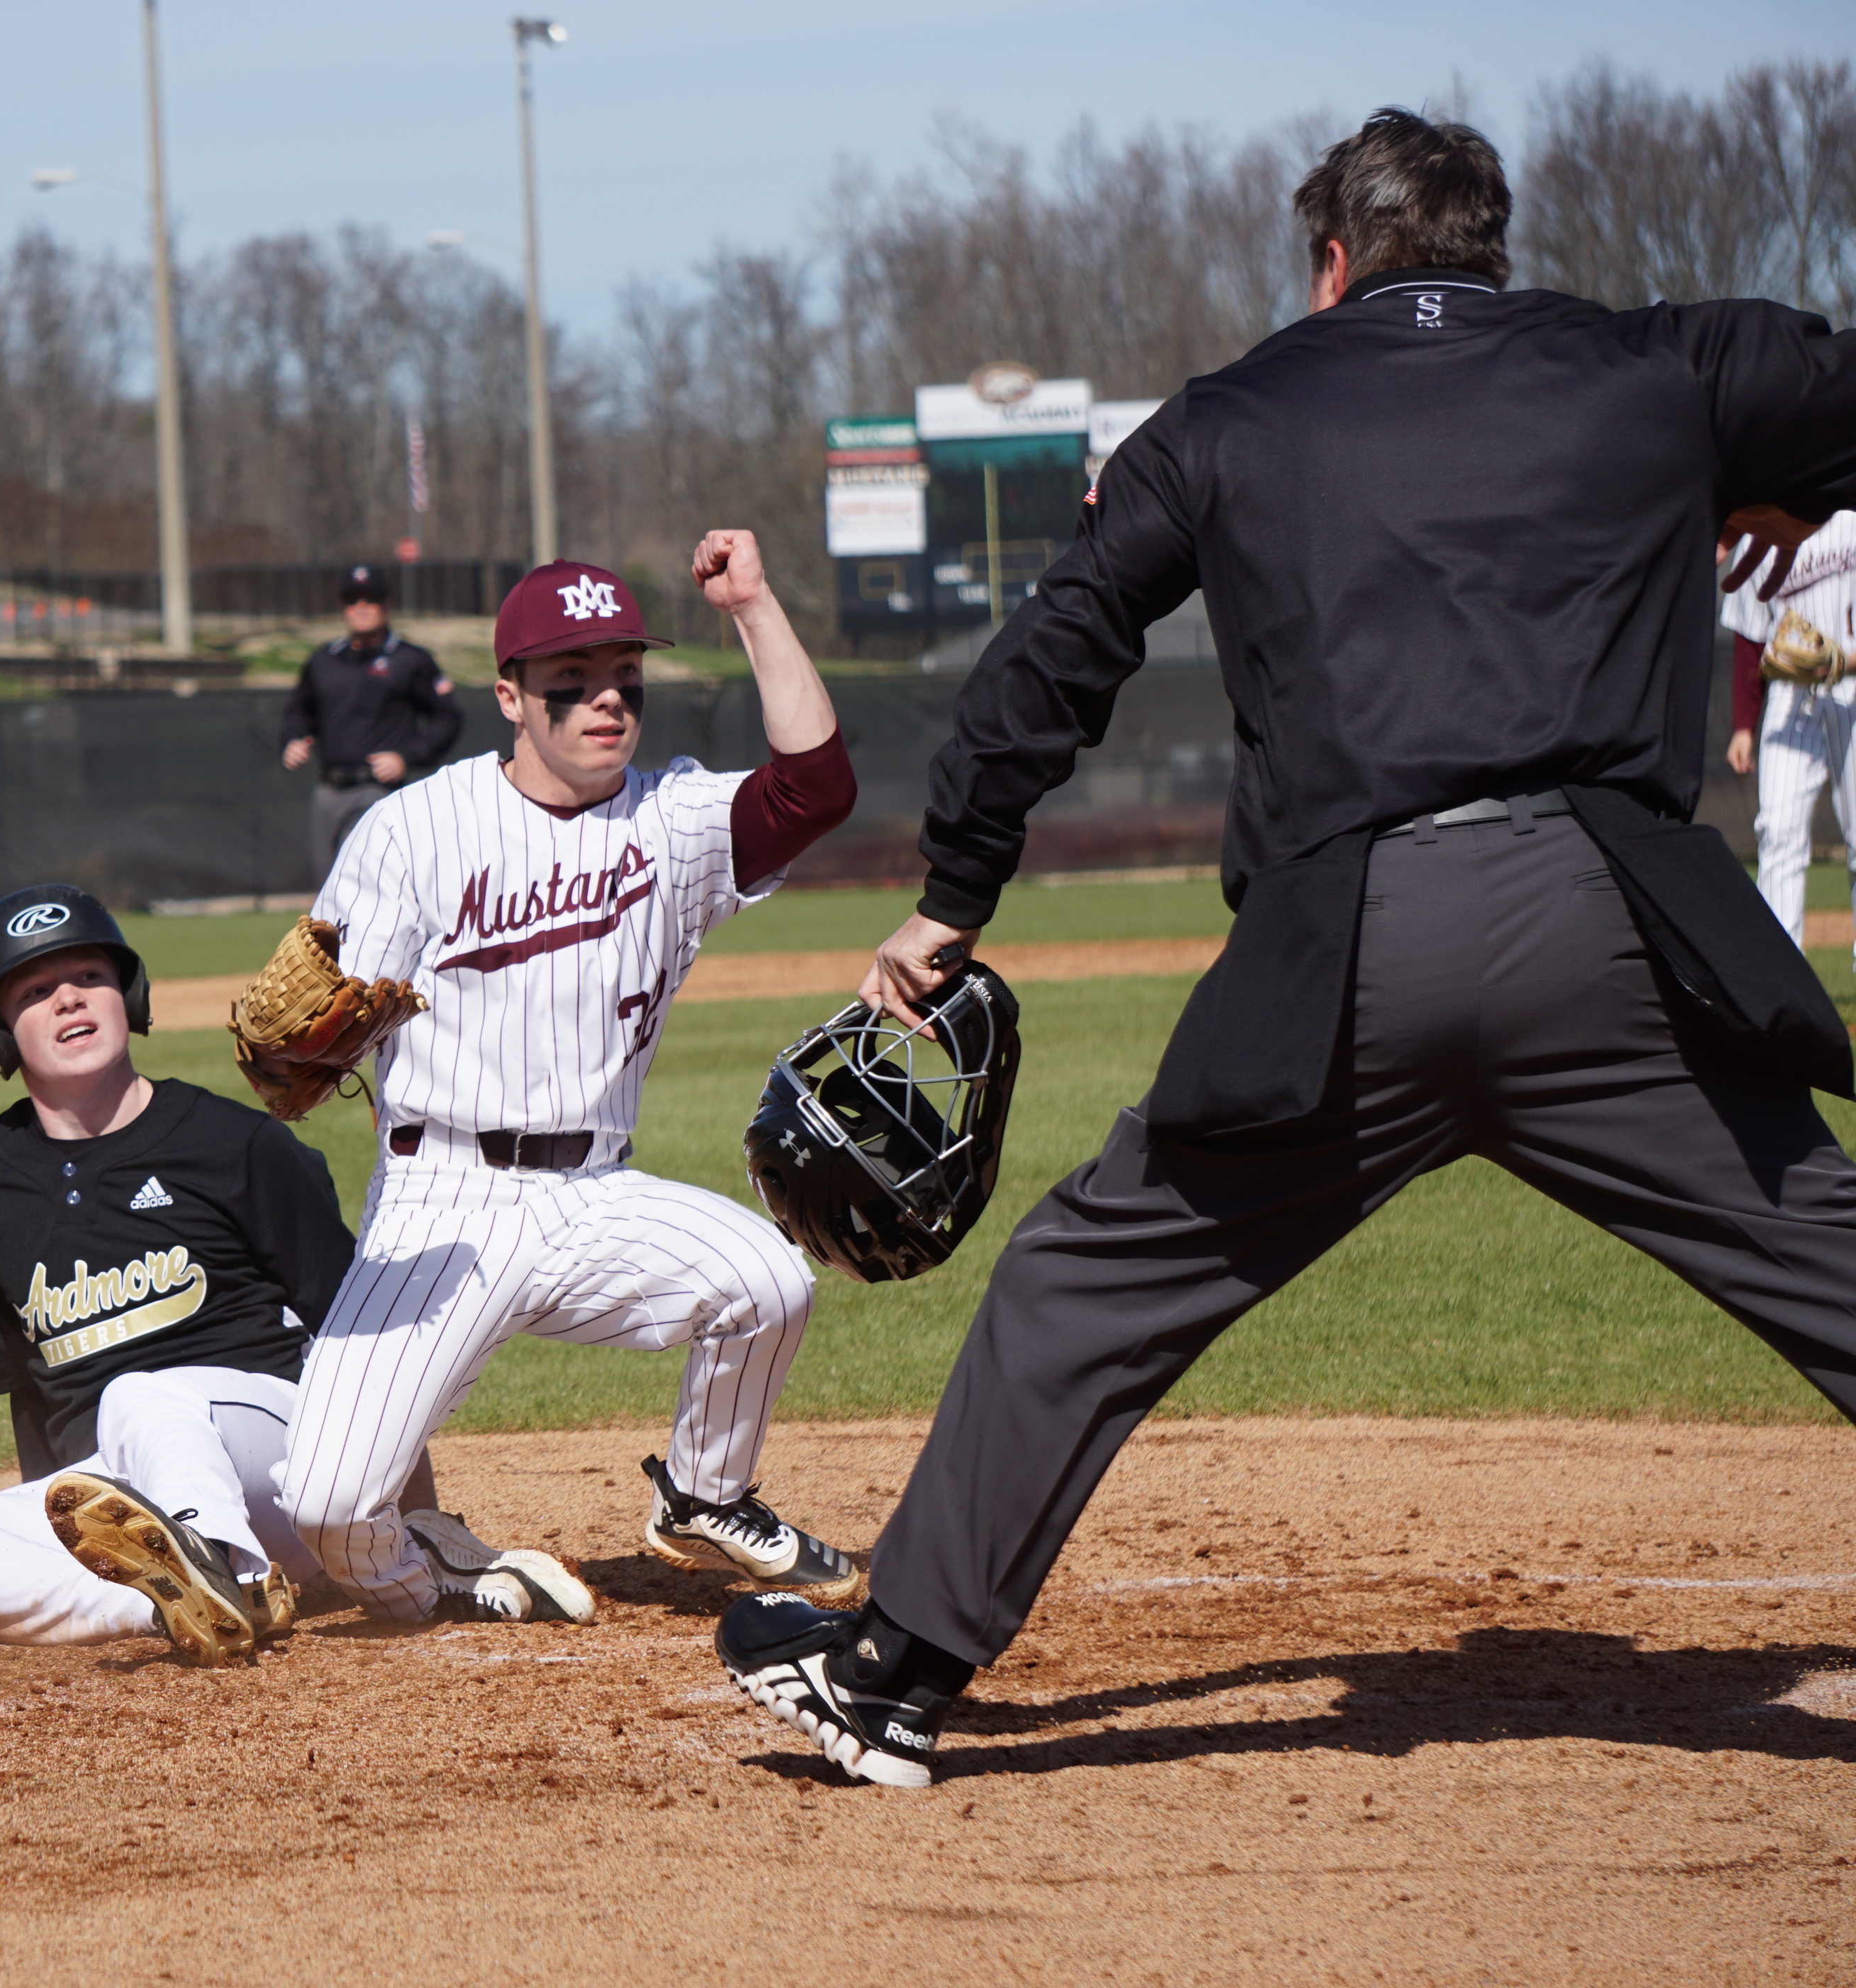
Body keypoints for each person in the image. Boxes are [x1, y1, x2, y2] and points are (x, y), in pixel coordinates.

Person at [717, 108, 1856, 1789]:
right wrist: (1784, 478)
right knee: (1826, 1256)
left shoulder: (1229, 413)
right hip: (1609, 938)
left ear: (1329, 261)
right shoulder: (1662, 366)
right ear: (1488, 247)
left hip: (1354, 966)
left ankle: (888, 1678)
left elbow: (1055, 651)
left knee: (1085, 1283)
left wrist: (957, 884)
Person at [277, 538, 867, 1629]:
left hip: (594, 1194)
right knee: (327, 1503)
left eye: (625, 677)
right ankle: (436, 1579)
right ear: (510, 695)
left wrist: (752, 602)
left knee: (769, 1281)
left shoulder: (672, 820)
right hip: (442, 1201)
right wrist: (311, 1053)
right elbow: (320, 1019)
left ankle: (705, 1496)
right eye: (573, 679)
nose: (607, 699)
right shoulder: (416, 828)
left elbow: (817, 787)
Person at [0, 884, 481, 1664]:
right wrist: (67, 1521)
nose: (69, 999)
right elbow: (31, 1389)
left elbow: (365, 1345)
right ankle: (157, 1605)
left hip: (269, 1466)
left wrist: (411, 1520)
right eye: (34, 991)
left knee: (140, 1398)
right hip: (117, 1495)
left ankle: (220, 1561)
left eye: (89, 977)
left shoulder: (236, 1145)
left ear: (127, 995)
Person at [1723, 510, 1856, 965]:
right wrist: (1743, 724)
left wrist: (1846, 662)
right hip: (1790, 697)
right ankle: (1782, 977)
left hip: (1854, 686)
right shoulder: (1761, 531)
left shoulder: (1851, 515)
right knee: (1778, 830)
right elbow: (1750, 637)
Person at [281, 564, 463, 879]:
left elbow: (446, 716)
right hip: (328, 791)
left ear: (387, 605)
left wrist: (407, 758)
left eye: (371, 599)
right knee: (328, 891)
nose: (361, 607)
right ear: (343, 607)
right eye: (353, 600)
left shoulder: (409, 659)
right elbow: (299, 712)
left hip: (377, 790)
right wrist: (293, 740)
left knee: (366, 882)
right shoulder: (324, 661)